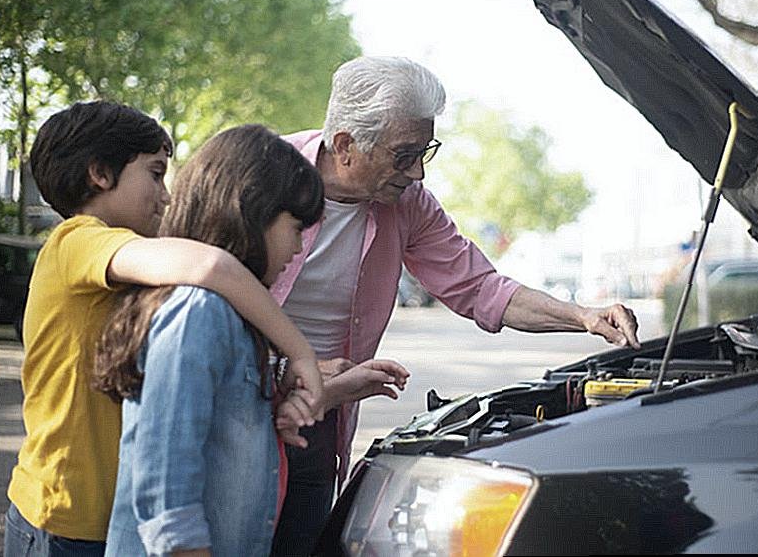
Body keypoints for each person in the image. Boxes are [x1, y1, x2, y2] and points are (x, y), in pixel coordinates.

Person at [269, 56, 641, 555]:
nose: (418, 172)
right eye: (404, 155)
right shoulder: (264, 173)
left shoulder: (409, 204)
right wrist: (290, 367)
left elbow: (481, 287)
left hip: (323, 415)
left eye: (426, 152)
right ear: (345, 145)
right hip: (239, 405)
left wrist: (583, 317)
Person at [4, 103, 324, 557]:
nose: (168, 195)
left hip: (97, 517)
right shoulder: (75, 241)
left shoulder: (129, 260)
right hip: (63, 520)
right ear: (100, 173)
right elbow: (212, 264)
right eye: (155, 174)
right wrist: (301, 351)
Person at [95, 125, 409, 556]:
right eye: (295, 228)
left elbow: (221, 433)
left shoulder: (235, 317)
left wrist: (284, 413)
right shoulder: (198, 313)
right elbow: (166, 488)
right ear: (251, 213)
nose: (298, 248)